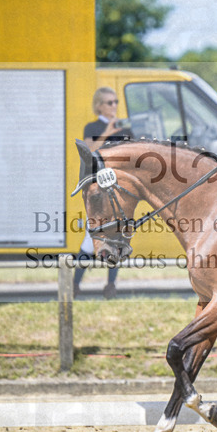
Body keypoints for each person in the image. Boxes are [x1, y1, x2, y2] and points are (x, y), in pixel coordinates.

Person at [77, 87, 133, 298]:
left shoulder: (125, 128)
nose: (114, 106)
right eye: (109, 102)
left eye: (115, 102)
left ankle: (110, 285)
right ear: (99, 105)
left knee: (118, 236)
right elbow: (89, 152)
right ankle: (75, 283)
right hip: (99, 191)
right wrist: (108, 132)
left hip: (119, 188)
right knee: (90, 239)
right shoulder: (92, 126)